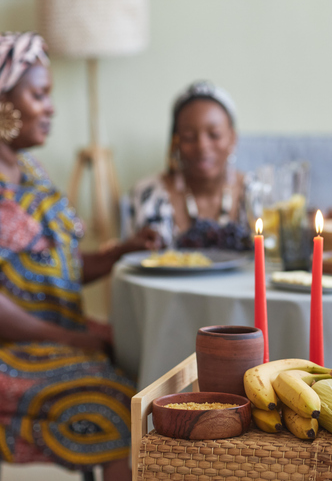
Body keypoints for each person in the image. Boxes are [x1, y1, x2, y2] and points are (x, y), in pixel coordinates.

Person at [0, 32, 158, 480]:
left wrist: (118, 253)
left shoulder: (28, 169)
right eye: (38, 95)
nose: (50, 107)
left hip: (54, 333)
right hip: (14, 349)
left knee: (154, 370)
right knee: (119, 403)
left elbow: (58, 269)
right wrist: (70, 339)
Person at [125, 81, 252, 251]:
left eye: (214, 135)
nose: (202, 146)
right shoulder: (148, 196)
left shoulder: (255, 193)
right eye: (189, 137)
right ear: (175, 142)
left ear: (232, 139)